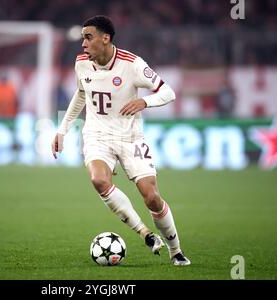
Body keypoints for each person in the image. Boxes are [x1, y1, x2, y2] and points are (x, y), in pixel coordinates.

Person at [51, 15, 190, 266]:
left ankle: (175, 250)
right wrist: (62, 130)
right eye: (82, 37)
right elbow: (81, 95)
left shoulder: (133, 64)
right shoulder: (81, 63)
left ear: (106, 38)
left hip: (130, 137)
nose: (83, 44)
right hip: (97, 135)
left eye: (88, 37)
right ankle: (145, 233)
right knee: (99, 180)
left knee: (151, 197)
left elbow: (168, 92)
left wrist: (144, 101)